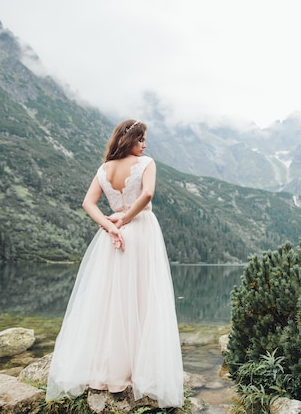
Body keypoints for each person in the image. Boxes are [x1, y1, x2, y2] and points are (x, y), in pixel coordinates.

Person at [46, 119, 184, 408]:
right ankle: (139, 370)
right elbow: (147, 194)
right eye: (142, 139)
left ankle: (108, 370)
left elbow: (88, 203)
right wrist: (126, 218)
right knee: (143, 297)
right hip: (141, 230)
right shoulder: (146, 163)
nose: (144, 145)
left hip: (114, 236)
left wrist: (110, 225)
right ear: (130, 139)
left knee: (112, 301)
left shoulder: (104, 169)